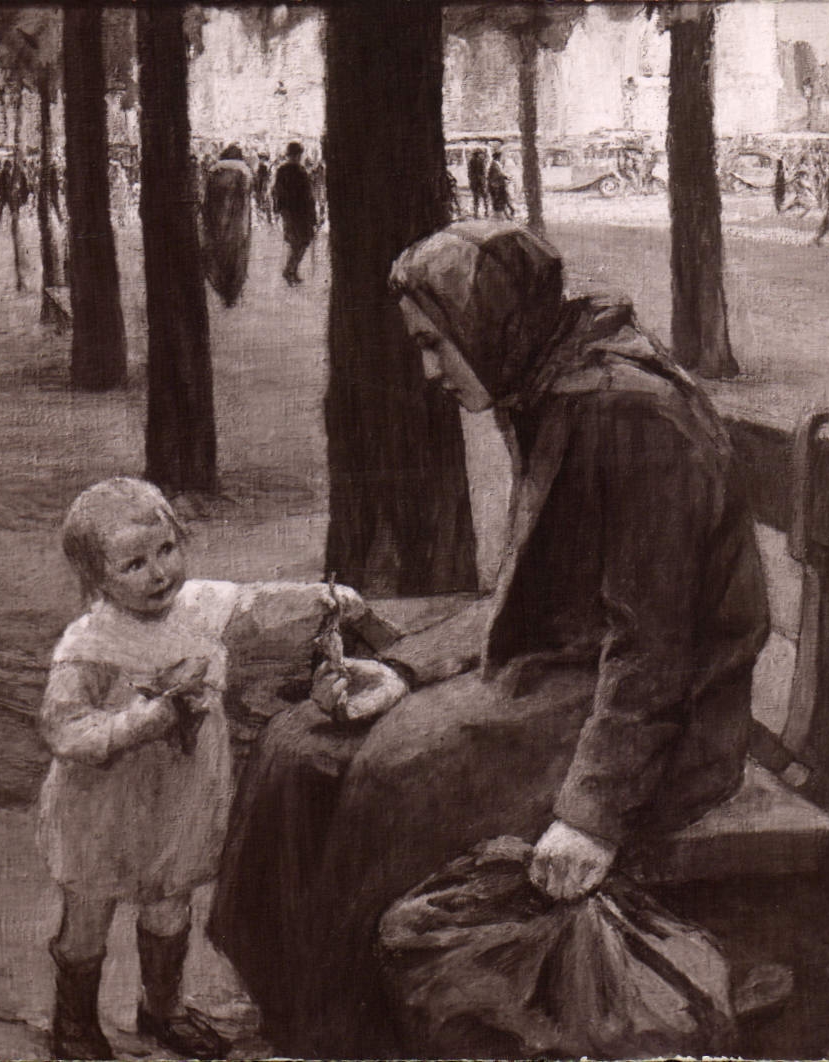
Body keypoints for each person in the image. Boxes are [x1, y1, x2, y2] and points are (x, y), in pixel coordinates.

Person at [208, 222, 770, 1059]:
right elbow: (529, 586)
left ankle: (349, 1037)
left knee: (401, 772)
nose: (431, 372)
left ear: (489, 320)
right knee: (299, 745)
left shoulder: (627, 411)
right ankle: (288, 1013)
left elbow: (655, 645)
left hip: (667, 718)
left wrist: (590, 815)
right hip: (576, 672)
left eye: (435, 345)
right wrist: (403, 670)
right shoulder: (547, 385)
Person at [40, 476, 399, 1061]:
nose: (159, 573)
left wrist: (325, 599)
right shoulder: (90, 644)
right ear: (97, 578)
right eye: (134, 564)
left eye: (166, 550)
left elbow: (256, 606)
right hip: (103, 809)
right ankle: (75, 1024)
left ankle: (162, 1009)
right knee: (88, 915)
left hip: (178, 800)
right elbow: (65, 729)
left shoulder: (199, 606)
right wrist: (143, 721)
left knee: (169, 905)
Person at [202, 144, 255, 307]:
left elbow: (206, 200)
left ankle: (222, 288)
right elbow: (246, 198)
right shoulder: (244, 172)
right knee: (237, 256)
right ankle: (232, 293)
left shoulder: (214, 172)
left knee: (217, 254)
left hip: (216, 220)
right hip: (237, 223)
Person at [272, 141, 319, 286]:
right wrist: (313, 215)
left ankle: (292, 270)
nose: (298, 157)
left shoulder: (285, 170)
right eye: (297, 155)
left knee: (299, 242)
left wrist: (278, 208)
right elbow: (307, 195)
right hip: (298, 212)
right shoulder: (298, 171)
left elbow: (277, 191)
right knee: (299, 242)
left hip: (293, 212)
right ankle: (290, 270)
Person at [486, 150, 514, 220]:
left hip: (498, 185)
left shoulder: (496, 164)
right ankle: (507, 214)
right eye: (500, 156)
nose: (502, 158)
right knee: (501, 199)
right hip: (496, 185)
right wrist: (507, 177)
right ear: (498, 157)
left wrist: (506, 177)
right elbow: (499, 174)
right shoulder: (494, 164)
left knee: (503, 199)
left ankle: (508, 213)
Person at [467, 146, 489, 218]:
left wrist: (471, 180)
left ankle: (476, 213)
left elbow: (469, 173)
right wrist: (484, 179)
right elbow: (483, 171)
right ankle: (486, 211)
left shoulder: (471, 161)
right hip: (480, 181)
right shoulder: (481, 161)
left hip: (474, 181)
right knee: (484, 196)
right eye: (479, 153)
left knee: (476, 197)